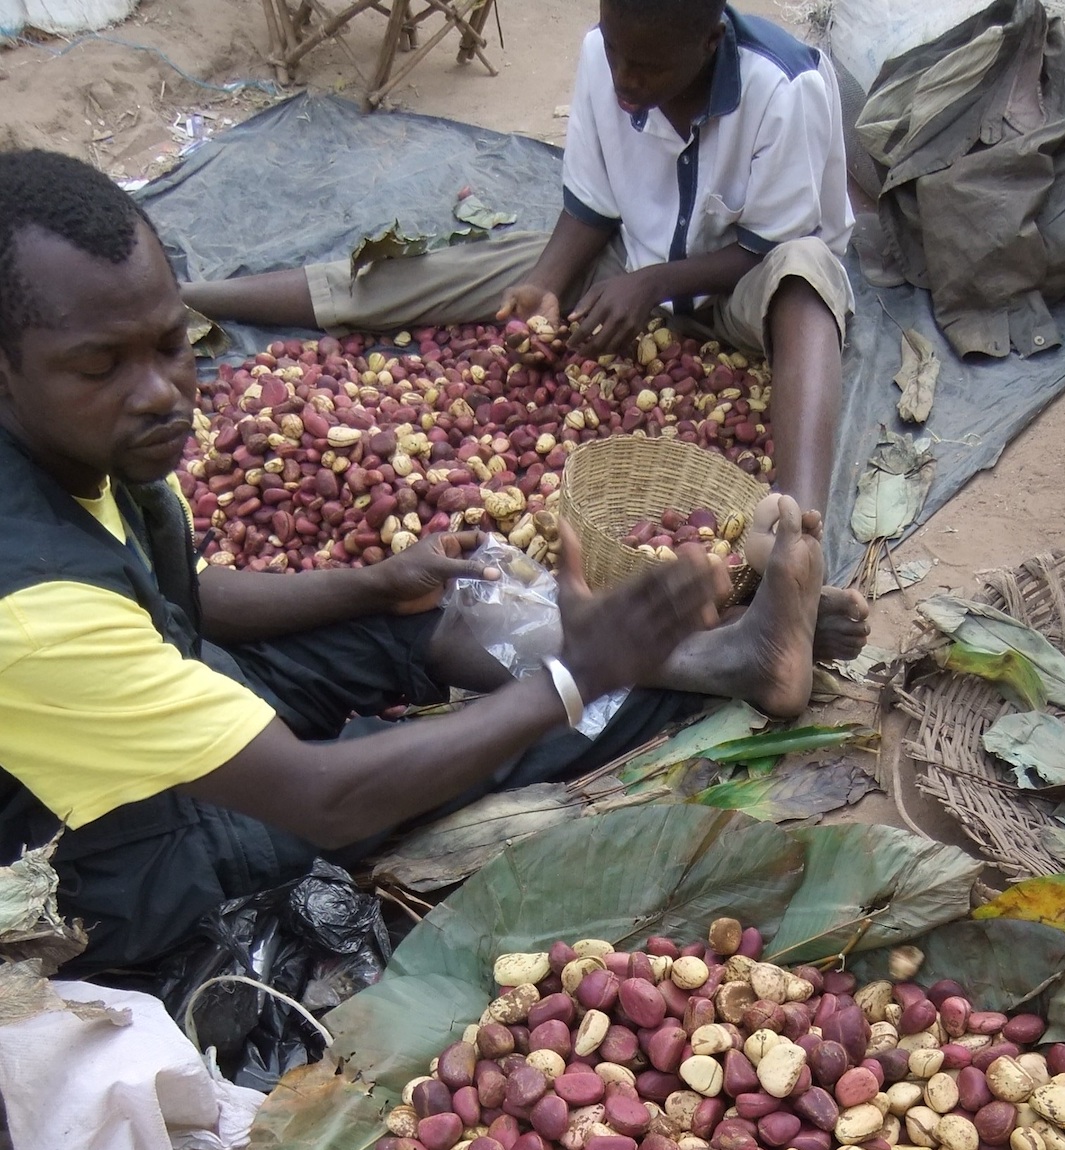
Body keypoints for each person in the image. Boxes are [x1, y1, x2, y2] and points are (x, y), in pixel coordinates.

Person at [0, 151, 866, 975]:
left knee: (443, 605)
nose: (160, 392)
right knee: (493, 742)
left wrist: (374, 584)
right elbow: (319, 798)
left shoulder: (96, 455)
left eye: (169, 345)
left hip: (158, 703)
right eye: (99, 366)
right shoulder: (34, 611)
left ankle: (714, 649)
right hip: (122, 861)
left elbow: (182, 597)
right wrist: (576, 675)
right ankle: (660, 670)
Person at [182, 0, 855, 520]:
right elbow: (592, 206)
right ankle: (192, 296)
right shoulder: (606, 55)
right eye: (615, 50)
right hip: (635, 264)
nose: (623, 78)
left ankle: (797, 534)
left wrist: (652, 286)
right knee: (460, 273)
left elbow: (765, 248)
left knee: (808, 277)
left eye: (647, 68)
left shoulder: (783, 87)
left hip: (739, 287)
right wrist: (544, 286)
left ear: (709, 43)